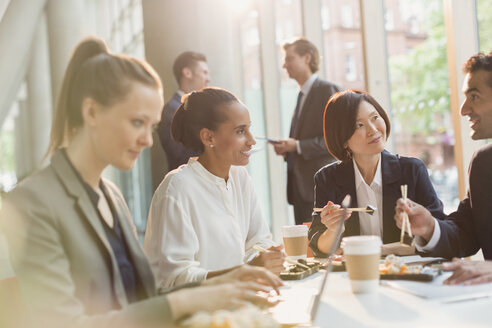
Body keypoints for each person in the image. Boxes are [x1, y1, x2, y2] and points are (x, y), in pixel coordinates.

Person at [0, 38, 282, 328]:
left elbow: (142, 302)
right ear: (92, 113)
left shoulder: (111, 195)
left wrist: (226, 279)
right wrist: (189, 300)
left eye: (150, 126)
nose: (147, 140)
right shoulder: (31, 202)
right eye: (137, 123)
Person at [144, 87, 284, 287]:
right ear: (208, 137)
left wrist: (267, 258)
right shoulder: (177, 189)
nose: (252, 141)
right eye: (240, 131)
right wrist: (245, 271)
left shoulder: (240, 178)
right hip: (187, 312)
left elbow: (259, 240)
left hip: (232, 303)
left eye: (249, 128)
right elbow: (176, 279)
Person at [309, 90, 446, 257]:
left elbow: (437, 234)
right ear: (343, 140)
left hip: (407, 275)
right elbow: (319, 247)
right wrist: (332, 230)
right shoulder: (327, 178)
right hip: (353, 276)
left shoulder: (412, 170)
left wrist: (381, 250)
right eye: (359, 125)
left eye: (375, 118)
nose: (373, 130)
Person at [395, 51, 492, 285]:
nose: (463, 110)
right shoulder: (483, 164)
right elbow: (465, 235)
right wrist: (429, 226)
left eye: (475, 96)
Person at [272, 37, 341, 224]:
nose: (285, 65)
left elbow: (337, 140)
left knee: (322, 247)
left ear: (307, 58)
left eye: (290, 59)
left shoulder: (327, 90)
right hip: (300, 188)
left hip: (320, 187)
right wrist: (289, 148)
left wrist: (299, 146)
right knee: (306, 247)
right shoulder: (302, 94)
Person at [157, 51, 210, 172]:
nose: (209, 79)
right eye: (204, 72)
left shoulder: (202, 108)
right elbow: (181, 158)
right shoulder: (171, 110)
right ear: (187, 73)